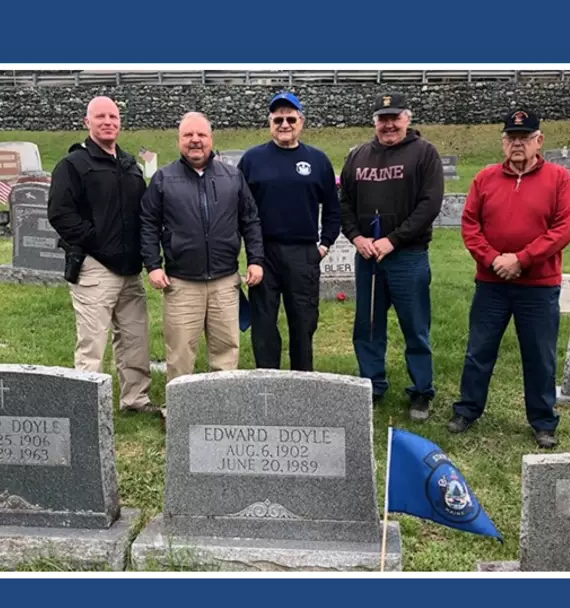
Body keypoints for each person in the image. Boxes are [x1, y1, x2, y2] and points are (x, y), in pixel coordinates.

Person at [448, 108, 570, 449]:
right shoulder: (484, 178)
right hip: (491, 283)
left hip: (538, 286)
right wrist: (493, 260)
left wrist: (522, 259)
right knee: (479, 350)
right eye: (511, 138)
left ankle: (543, 421)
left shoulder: (558, 179)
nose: (517, 144)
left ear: (539, 141)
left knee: (539, 355)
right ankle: (468, 409)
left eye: (525, 138)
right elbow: (470, 226)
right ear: (503, 142)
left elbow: (564, 228)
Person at [47, 96, 161, 417]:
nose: (108, 121)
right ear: (87, 122)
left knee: (135, 339)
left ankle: (135, 400)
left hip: (130, 269)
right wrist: (95, 240)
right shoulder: (73, 165)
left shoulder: (129, 165)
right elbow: (59, 213)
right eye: (100, 116)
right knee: (92, 344)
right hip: (95, 267)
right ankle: (86, 408)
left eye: (113, 116)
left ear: (119, 122)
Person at [338, 92, 444, 421]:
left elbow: (429, 204)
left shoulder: (424, 154)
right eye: (382, 119)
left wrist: (393, 240)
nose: (388, 124)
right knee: (368, 325)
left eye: (395, 117)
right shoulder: (358, 156)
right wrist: (356, 237)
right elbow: (343, 204)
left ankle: (421, 392)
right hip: (368, 257)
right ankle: (372, 384)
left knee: (415, 326)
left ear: (407, 119)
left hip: (406, 256)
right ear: (374, 122)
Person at [140, 112, 265, 389]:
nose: (195, 140)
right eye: (188, 135)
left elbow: (250, 220)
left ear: (211, 139)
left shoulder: (232, 176)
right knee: (181, 354)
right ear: (179, 140)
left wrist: (256, 260)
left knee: (226, 352)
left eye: (201, 135)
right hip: (182, 283)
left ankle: (222, 409)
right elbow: (148, 224)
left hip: (224, 282)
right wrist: (153, 265)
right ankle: (179, 413)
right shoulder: (163, 179)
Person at [237, 91, 341, 371]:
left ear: (301, 122)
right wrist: (248, 252)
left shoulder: (317, 161)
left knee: (303, 322)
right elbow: (239, 209)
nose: (284, 124)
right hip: (263, 254)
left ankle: (302, 382)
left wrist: (325, 244)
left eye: (290, 118)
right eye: (278, 119)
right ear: (270, 123)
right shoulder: (252, 160)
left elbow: (333, 209)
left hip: (304, 253)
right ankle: (268, 381)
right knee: (264, 323)